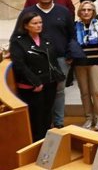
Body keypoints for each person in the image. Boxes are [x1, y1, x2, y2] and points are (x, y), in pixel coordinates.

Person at [17, 0, 75, 129]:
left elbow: (72, 35)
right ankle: (45, 123)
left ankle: (59, 122)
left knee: (59, 91)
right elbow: (19, 36)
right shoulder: (27, 13)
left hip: (61, 58)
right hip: (36, 59)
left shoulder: (63, 12)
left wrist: (70, 53)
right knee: (44, 92)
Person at [10, 12, 63, 141]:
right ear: (26, 25)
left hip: (49, 83)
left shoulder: (46, 39)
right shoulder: (18, 42)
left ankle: (45, 142)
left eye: (40, 22)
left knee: (46, 115)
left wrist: (57, 77)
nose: (39, 25)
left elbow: (52, 60)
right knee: (36, 118)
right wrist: (35, 82)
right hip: (32, 86)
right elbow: (20, 65)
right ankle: (36, 144)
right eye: (35, 23)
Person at [74, 1, 98, 131]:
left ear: (93, 12)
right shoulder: (74, 27)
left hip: (96, 62)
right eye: (84, 10)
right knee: (84, 92)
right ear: (80, 12)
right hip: (80, 63)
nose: (86, 12)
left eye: (89, 10)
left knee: (96, 91)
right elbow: (72, 44)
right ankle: (89, 117)